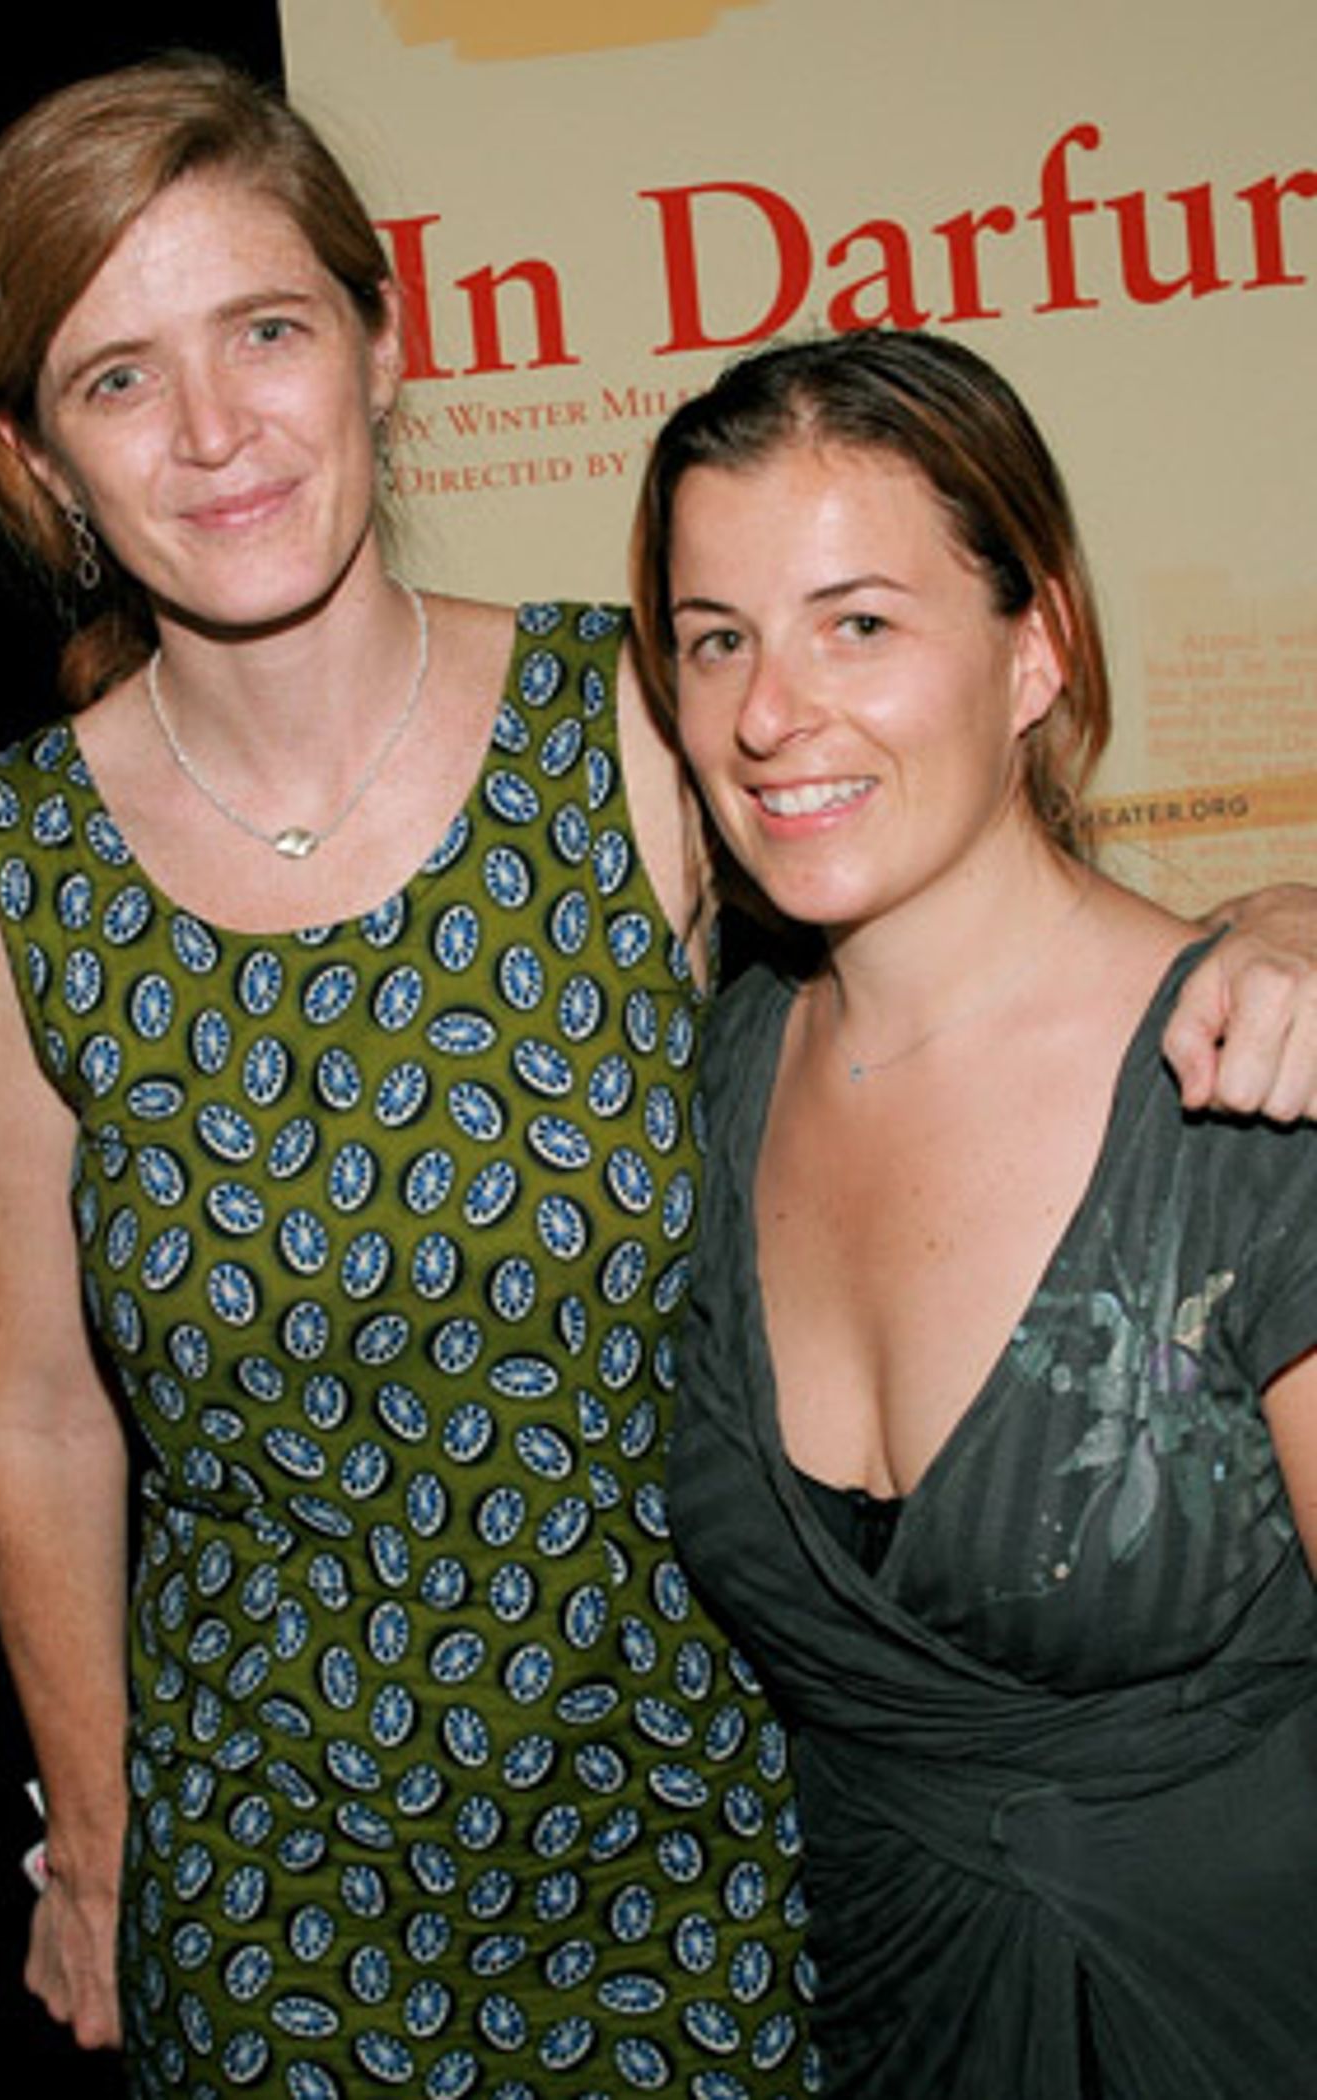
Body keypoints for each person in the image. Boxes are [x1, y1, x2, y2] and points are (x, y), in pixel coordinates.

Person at [0, 55, 1310, 2100]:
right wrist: (101, 1840)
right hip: (273, 1869)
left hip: (705, 1832)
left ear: (381, 346)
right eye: (118, 377)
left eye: (265, 331)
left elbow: (975, 893)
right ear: (37, 453)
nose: (212, 429)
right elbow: (37, 1410)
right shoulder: (2, 870)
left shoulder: (638, 715)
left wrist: (1282, 917)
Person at [633, 329, 1317, 2100]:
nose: (770, 713)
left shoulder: (1255, 1096)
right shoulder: (706, 1081)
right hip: (872, 2020)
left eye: (859, 622)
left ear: (1037, 647)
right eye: (717, 639)